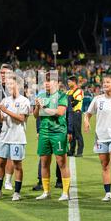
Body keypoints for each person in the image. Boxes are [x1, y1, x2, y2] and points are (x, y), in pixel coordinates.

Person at [0, 73, 30, 201]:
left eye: (11, 84)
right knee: (0, 163)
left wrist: (5, 110)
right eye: (7, 84)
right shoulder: (5, 101)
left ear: (17, 85)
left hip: (17, 138)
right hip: (4, 136)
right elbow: (2, 120)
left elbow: (21, 118)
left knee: (17, 165)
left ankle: (17, 192)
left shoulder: (24, 101)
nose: (9, 86)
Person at [33, 72, 71, 201]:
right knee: (44, 163)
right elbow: (35, 115)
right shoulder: (41, 95)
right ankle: (46, 191)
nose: (47, 83)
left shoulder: (62, 95)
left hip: (58, 132)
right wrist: (38, 107)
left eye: (50, 81)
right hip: (44, 132)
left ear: (57, 83)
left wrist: (44, 107)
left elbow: (60, 112)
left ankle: (65, 192)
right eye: (45, 81)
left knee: (62, 162)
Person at [66, 76, 84, 157]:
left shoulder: (79, 91)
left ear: (74, 82)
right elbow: (65, 101)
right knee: (71, 133)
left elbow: (76, 102)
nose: (68, 83)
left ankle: (80, 151)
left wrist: (68, 105)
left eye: (69, 81)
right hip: (70, 114)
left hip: (76, 113)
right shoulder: (68, 92)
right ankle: (71, 150)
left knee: (77, 132)